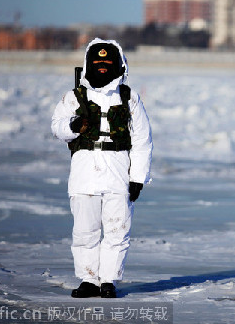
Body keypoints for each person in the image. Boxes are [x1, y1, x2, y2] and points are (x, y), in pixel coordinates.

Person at [51, 38, 153, 298]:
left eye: (108, 62)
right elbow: (57, 126)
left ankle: (108, 280)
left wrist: (137, 178)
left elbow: (142, 140)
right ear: (88, 64)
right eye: (97, 62)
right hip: (84, 171)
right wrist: (73, 126)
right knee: (85, 231)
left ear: (119, 65)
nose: (103, 67)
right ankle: (88, 279)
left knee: (117, 230)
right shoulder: (75, 97)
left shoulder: (129, 98)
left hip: (118, 171)